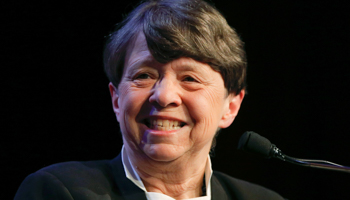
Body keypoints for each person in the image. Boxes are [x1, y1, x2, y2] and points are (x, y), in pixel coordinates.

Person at [15, 0, 284, 199]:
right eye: (144, 75)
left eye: (190, 78)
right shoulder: (57, 190)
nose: (164, 96)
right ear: (117, 99)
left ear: (231, 107)